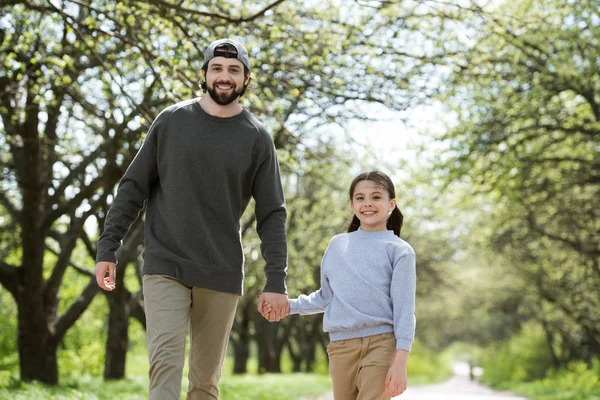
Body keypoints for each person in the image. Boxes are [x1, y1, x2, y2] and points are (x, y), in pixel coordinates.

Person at [94, 38, 289, 400]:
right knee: (164, 370)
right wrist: (108, 247)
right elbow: (133, 188)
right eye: (216, 68)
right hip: (165, 263)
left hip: (221, 270)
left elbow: (272, 214)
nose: (224, 77)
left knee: (204, 382)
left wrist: (276, 281)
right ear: (204, 74)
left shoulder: (257, 138)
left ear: (246, 78)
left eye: (234, 70)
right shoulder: (171, 122)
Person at [263, 170, 416, 399]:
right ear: (352, 205)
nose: (368, 204)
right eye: (360, 198)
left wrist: (400, 362)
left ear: (391, 204)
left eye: (376, 197)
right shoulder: (337, 245)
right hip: (341, 346)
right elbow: (326, 297)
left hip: (382, 345)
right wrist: (288, 306)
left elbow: (405, 310)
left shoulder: (400, 250)